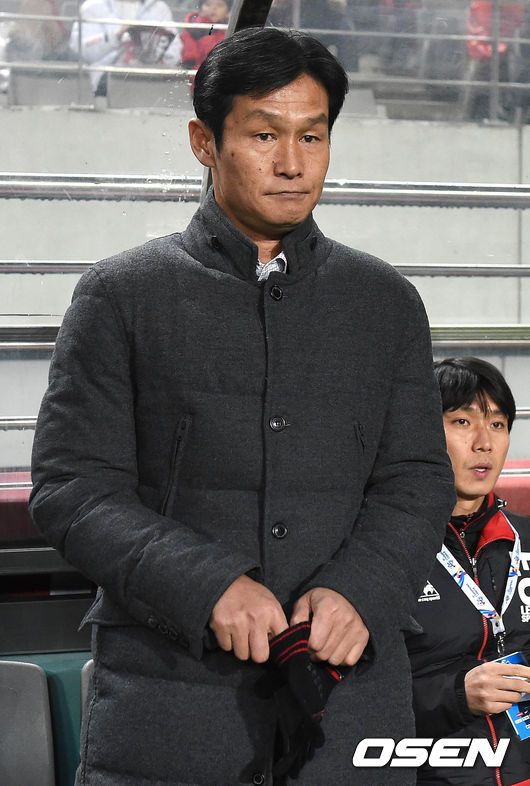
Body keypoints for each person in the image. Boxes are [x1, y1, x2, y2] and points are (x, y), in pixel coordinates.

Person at [29, 26, 455, 785]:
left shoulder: (386, 302)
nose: (292, 163)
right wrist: (207, 586)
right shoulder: (121, 295)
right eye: (264, 135)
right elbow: (73, 488)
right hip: (169, 707)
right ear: (205, 142)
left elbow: (417, 478)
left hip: (352, 703)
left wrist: (360, 590)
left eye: (312, 136)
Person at [407, 356, 530, 785]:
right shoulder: (386, 551)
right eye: (462, 422)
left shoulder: (525, 540)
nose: (484, 443)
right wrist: (456, 695)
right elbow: (351, 700)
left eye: (497, 424)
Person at [70, 0, 182, 94]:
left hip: (150, 85)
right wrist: (115, 36)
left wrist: (153, 50)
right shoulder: (92, 6)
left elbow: (174, 54)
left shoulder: (159, 8)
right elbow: (81, 50)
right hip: (103, 88)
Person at [180, 0, 230, 73]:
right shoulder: (189, 29)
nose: (213, 8)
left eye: (220, 5)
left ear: (228, 12)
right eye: (208, 4)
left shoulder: (230, 30)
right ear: (200, 9)